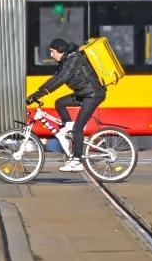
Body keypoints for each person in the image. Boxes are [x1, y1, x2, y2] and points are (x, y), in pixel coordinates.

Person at [25, 38, 106, 173]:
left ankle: (77, 161)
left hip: (93, 95)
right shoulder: (65, 61)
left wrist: (39, 95)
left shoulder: (74, 58)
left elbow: (61, 79)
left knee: (78, 127)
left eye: (52, 51)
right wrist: (35, 94)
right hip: (83, 93)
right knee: (60, 103)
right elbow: (55, 78)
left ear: (60, 50)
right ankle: (69, 130)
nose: (51, 55)